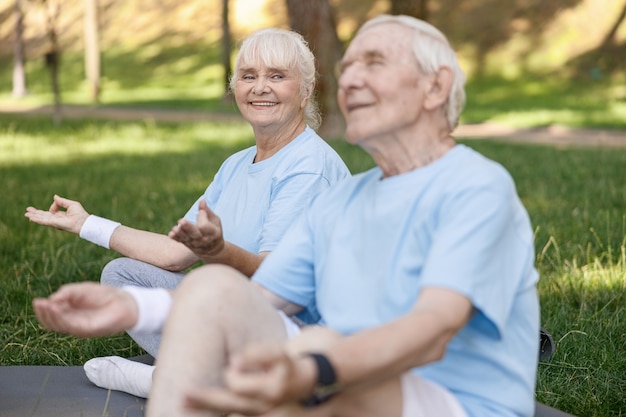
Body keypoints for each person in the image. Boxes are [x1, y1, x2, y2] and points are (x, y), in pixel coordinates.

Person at [33, 14, 540, 417]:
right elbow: (258, 294)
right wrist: (134, 310)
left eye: (375, 63)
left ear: (435, 89)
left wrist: (311, 369)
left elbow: (431, 328)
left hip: (446, 396)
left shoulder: (476, 188)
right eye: (351, 67)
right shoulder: (351, 196)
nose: (353, 78)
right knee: (218, 295)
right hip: (351, 373)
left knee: (288, 377)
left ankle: (189, 381)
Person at [25, 28, 350, 399]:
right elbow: (174, 253)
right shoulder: (237, 165)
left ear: (306, 90)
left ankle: (178, 380)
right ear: (236, 88)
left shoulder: (308, 166)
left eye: (277, 76)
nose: (260, 87)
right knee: (122, 274)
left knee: (217, 297)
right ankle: (203, 377)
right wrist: (87, 224)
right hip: (235, 315)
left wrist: (218, 252)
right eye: (248, 76)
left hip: (297, 333)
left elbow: (276, 283)